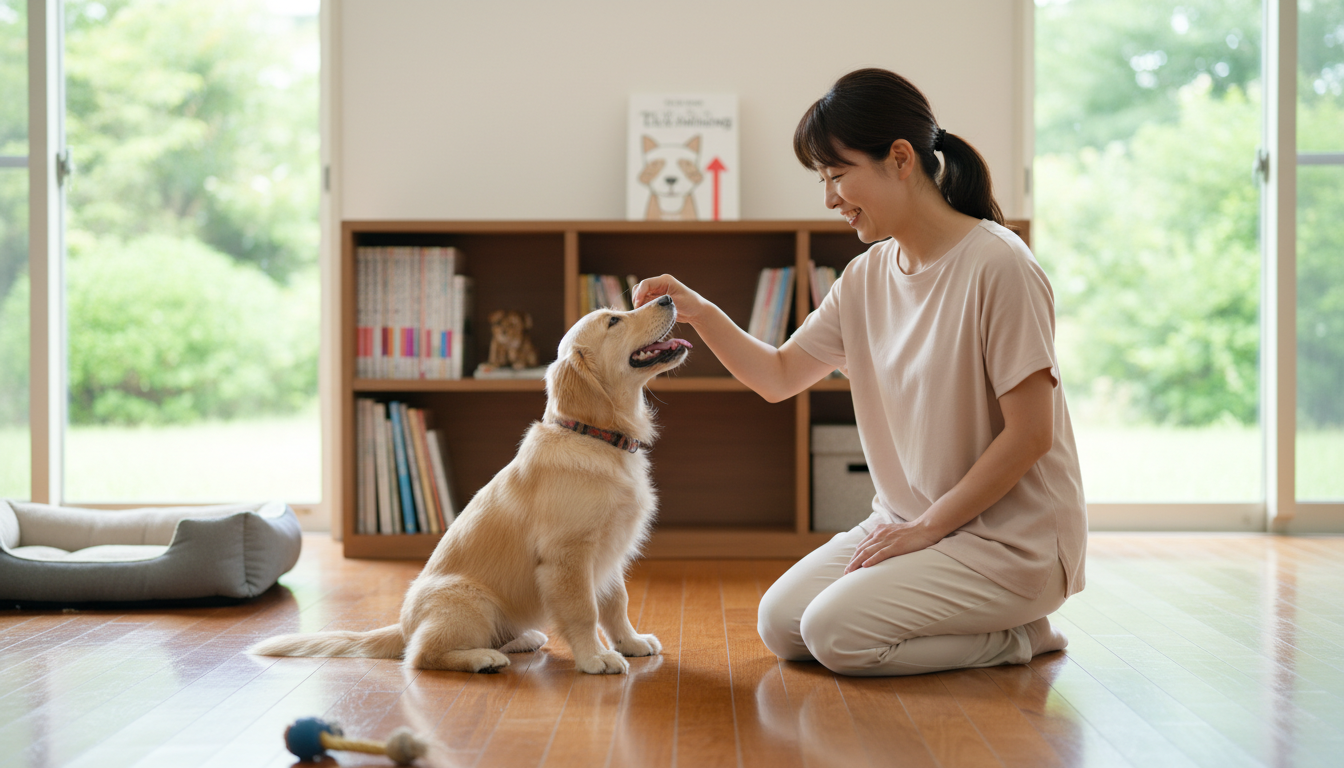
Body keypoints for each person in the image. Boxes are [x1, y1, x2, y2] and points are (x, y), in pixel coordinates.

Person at [632, 68, 1086, 676]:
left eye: (838, 175)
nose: (830, 198)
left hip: (1009, 543)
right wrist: (701, 313)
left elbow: (1031, 434)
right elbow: (778, 377)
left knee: (835, 634)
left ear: (900, 158)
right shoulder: (867, 277)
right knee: (782, 624)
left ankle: (1021, 638)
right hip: (909, 525)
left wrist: (926, 530)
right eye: (823, 179)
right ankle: (986, 619)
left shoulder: (999, 265)